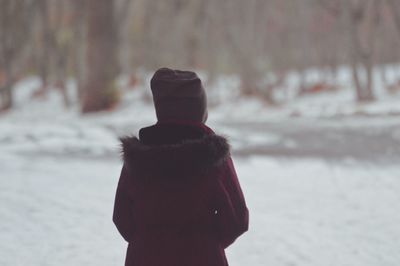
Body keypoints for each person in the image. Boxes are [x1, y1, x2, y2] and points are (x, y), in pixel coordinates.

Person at [113, 68, 249, 266]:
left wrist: (149, 242)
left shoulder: (138, 156)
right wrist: (206, 242)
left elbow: (121, 217)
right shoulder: (214, 157)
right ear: (200, 109)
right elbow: (237, 220)